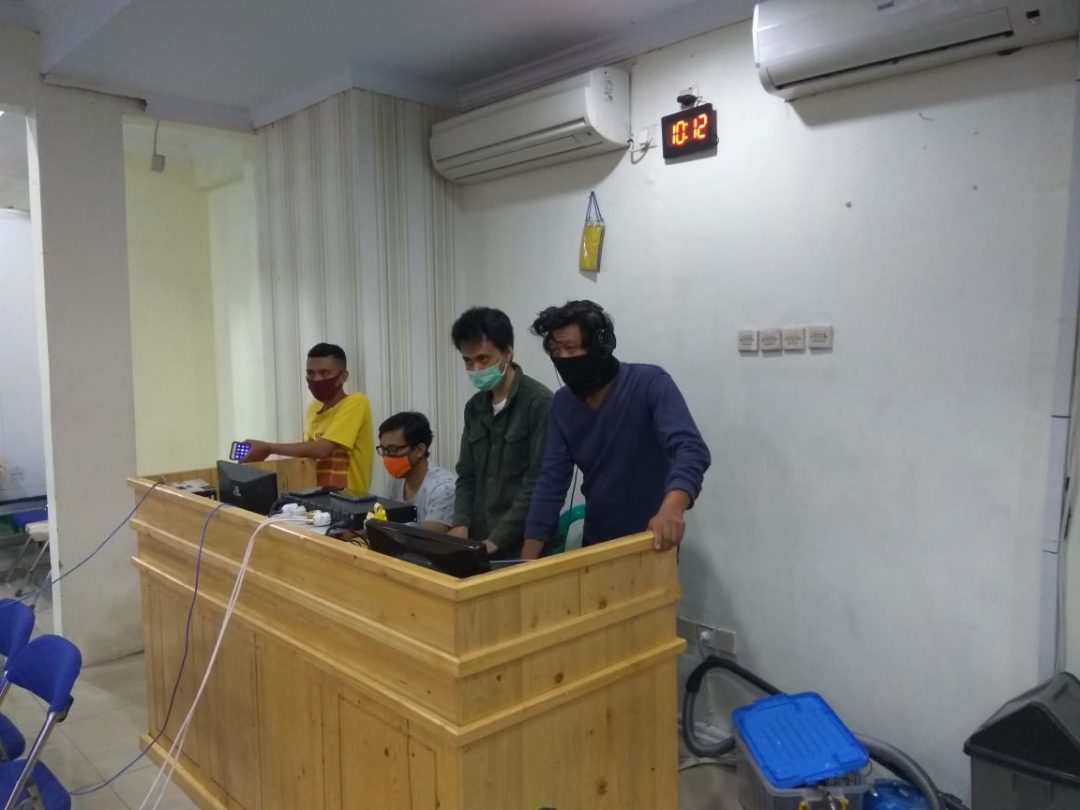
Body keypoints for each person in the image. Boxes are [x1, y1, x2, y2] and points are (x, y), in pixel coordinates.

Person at [521, 300, 710, 559]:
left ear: (602, 345)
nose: (562, 358)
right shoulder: (562, 405)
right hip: (597, 544)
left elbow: (691, 449)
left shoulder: (650, 383)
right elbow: (550, 484)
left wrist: (672, 510)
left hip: (651, 543)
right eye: (555, 350)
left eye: (570, 348)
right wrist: (526, 563)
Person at [449, 307, 553, 557]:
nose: (475, 369)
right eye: (468, 361)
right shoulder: (474, 407)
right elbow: (466, 474)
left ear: (507, 353)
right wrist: (460, 522)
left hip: (522, 543)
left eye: (483, 359)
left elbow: (538, 483)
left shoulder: (540, 403)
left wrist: (496, 540)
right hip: (477, 538)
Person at [242, 343, 374, 494]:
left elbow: (323, 450)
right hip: (318, 498)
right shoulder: (313, 409)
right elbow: (309, 454)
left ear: (343, 376)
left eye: (324, 373)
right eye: (310, 373)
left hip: (351, 500)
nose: (316, 379)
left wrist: (269, 448)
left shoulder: (356, 402)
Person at [377, 411, 456, 533]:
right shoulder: (397, 481)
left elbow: (426, 538)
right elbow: (379, 523)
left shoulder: (444, 488)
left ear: (419, 450)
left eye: (393, 449)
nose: (387, 457)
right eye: (384, 450)